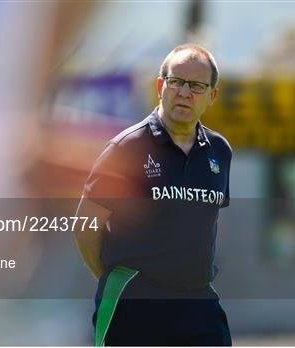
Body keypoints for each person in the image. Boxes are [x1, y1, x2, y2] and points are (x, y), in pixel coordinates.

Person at [74, 43, 232, 346]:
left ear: (212, 96)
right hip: (136, 300)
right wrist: (115, 279)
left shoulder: (219, 151)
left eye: (197, 86)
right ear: (161, 86)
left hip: (198, 301)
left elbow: (212, 218)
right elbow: (85, 226)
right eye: (176, 82)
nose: (184, 93)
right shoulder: (127, 148)